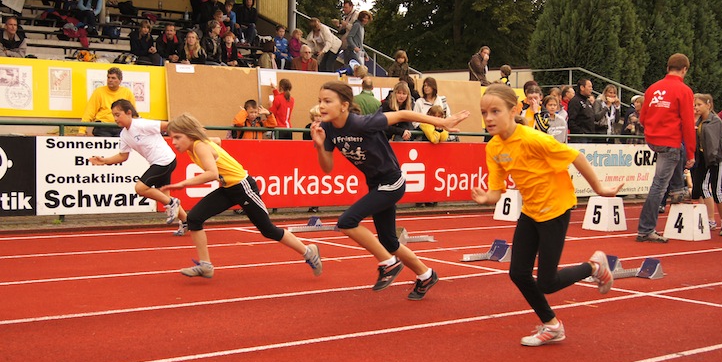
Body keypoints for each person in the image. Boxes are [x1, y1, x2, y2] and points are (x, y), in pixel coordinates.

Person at [471, 84, 623, 346]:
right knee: (518, 273)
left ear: (514, 110)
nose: (489, 118)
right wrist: (487, 197)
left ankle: (595, 267)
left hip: (555, 209)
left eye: (495, 111)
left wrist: (599, 188)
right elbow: (497, 191)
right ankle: (552, 325)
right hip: (531, 211)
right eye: (484, 112)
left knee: (548, 282)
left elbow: (575, 156)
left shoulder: (534, 139)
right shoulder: (493, 148)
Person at [311, 81, 469, 300]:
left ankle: (388, 263)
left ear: (344, 105)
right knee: (388, 242)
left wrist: (443, 121)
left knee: (347, 222)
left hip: (392, 182)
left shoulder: (362, 122)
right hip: (376, 184)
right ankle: (426, 274)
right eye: (320, 101)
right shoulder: (327, 129)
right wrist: (320, 145)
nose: (321, 106)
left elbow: (404, 114)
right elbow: (327, 168)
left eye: (328, 101)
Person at [161, 113, 322, 279]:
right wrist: (218, 157)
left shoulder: (199, 146)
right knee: (194, 218)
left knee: (268, 230)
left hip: (243, 187)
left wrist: (183, 184)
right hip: (229, 189)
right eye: (172, 138)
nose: (174, 143)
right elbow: (217, 141)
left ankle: (309, 251)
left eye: (177, 138)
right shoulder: (197, 146)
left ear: (190, 134)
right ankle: (206, 265)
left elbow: (211, 173)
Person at [89, 99, 188, 235]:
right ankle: (187, 221)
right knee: (165, 197)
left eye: (118, 115)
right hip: (158, 162)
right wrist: (104, 161)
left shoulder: (141, 124)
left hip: (165, 161)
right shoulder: (124, 134)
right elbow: (123, 156)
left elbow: (168, 126)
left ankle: (172, 203)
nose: (115, 119)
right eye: (113, 115)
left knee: (140, 188)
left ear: (129, 113)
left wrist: (189, 134)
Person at [636, 53, 697, 243]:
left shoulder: (653, 88)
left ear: (667, 67)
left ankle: (678, 188)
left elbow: (642, 118)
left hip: (653, 139)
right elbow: (688, 124)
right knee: (658, 186)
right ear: (684, 69)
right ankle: (646, 229)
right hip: (668, 141)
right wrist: (692, 153)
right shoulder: (684, 90)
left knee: (675, 151)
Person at [692, 94, 722, 235]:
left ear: (709, 105)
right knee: (700, 188)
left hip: (714, 158)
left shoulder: (715, 121)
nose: (696, 107)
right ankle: (709, 219)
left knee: (716, 191)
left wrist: (713, 159)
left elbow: (713, 143)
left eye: (699, 104)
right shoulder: (699, 120)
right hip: (703, 158)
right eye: (695, 105)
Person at [79, 66, 136, 136]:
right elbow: (89, 112)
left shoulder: (127, 92)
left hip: (121, 127)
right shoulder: (99, 91)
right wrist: (82, 130)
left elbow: (132, 113)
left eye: (113, 78)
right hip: (102, 127)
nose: (110, 80)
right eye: (108, 77)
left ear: (120, 80)